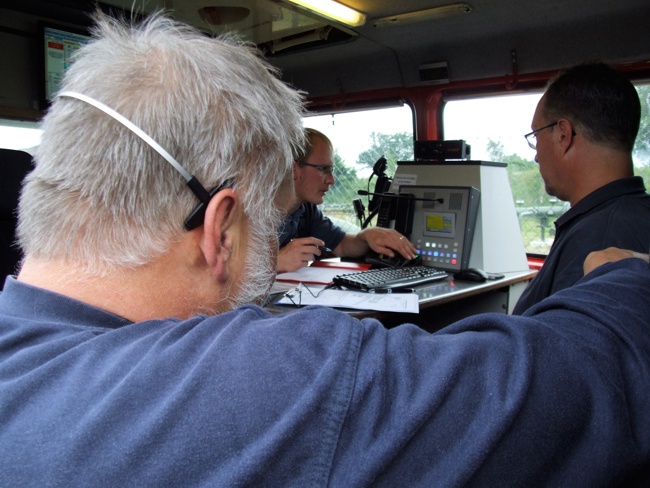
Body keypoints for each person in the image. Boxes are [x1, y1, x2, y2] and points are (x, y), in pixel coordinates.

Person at [0, 14, 649, 487]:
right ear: (220, 231)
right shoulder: (260, 383)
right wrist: (628, 284)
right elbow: (573, 393)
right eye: (269, 219)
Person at [513, 61, 650, 314]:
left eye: (536, 136)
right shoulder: (635, 214)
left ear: (563, 135)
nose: (536, 156)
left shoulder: (600, 242)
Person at [277, 128, 417, 273]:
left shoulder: (306, 209)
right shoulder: (255, 210)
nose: (331, 180)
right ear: (294, 169)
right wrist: (276, 262)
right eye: (323, 169)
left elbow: (342, 245)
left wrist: (366, 236)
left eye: (331, 170)